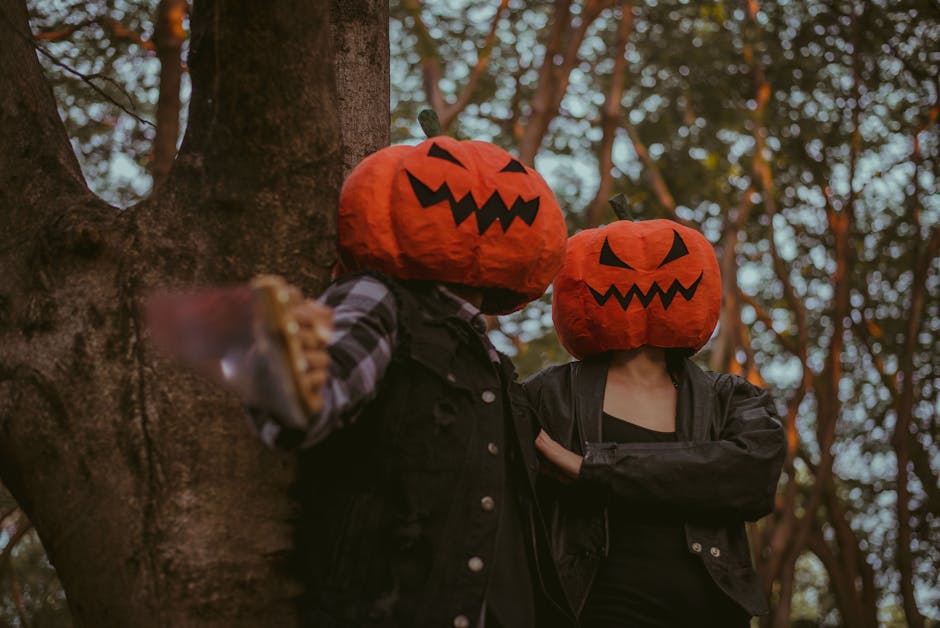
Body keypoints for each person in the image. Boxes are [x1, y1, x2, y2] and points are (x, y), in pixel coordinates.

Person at [245, 128, 577, 628]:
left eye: (510, 179)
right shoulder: (376, 298)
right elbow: (308, 403)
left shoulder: (495, 365)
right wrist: (289, 375)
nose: (487, 198)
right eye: (441, 166)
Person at [523, 217, 786, 627]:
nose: (640, 276)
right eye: (611, 261)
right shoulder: (546, 396)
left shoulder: (730, 397)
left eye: (670, 258)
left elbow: (752, 476)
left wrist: (593, 469)